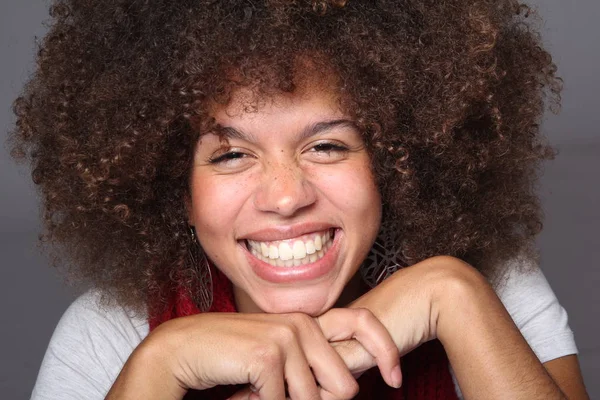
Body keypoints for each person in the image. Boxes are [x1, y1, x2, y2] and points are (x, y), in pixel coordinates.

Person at [10, 0, 589, 399]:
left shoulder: (489, 286)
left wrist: (455, 297)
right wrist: (159, 367)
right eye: (232, 154)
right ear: (176, 194)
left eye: (328, 146)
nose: (286, 197)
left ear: (390, 163)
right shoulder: (112, 333)